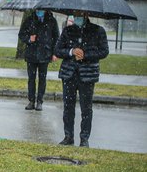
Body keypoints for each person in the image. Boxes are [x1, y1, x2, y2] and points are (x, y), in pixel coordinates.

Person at [55, 11, 108, 147]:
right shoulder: (67, 31)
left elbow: (104, 51)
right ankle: (68, 136)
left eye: (80, 14)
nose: (77, 17)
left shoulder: (98, 30)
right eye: (75, 14)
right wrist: (71, 51)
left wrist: (85, 55)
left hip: (87, 75)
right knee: (68, 107)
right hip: (69, 74)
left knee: (86, 108)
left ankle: (84, 138)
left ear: (86, 15)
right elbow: (57, 50)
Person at [18, 9, 59, 111]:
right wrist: (29, 39)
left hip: (45, 54)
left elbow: (56, 37)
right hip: (31, 54)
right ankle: (31, 101)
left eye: (41, 9)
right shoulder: (29, 20)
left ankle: (40, 101)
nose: (39, 11)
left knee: (42, 79)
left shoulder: (51, 21)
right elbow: (21, 34)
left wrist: (54, 53)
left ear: (45, 10)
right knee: (31, 79)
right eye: (37, 9)